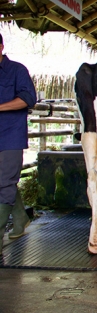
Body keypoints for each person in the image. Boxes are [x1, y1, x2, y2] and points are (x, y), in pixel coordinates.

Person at [0, 33, 37, 257]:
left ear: (1, 46)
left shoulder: (16, 70)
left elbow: (28, 98)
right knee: (6, 181)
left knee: (4, 183)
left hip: (10, 137)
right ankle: (21, 217)